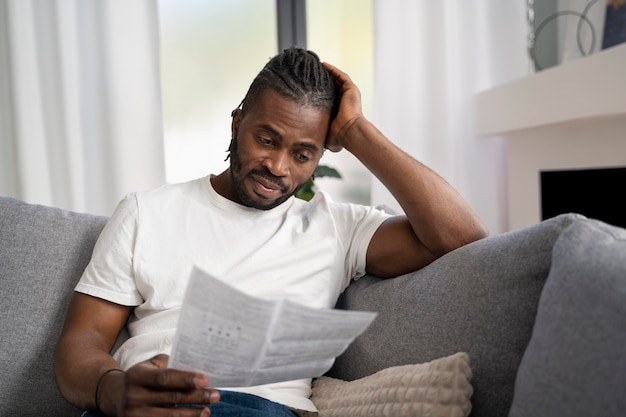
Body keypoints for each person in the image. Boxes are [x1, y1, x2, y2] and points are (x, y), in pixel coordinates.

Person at [54, 47, 488, 417]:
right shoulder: (144, 212)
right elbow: (82, 341)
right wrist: (114, 390)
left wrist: (356, 131)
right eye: (266, 139)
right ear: (236, 123)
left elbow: (463, 238)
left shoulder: (337, 227)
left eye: (302, 154)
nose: (278, 168)